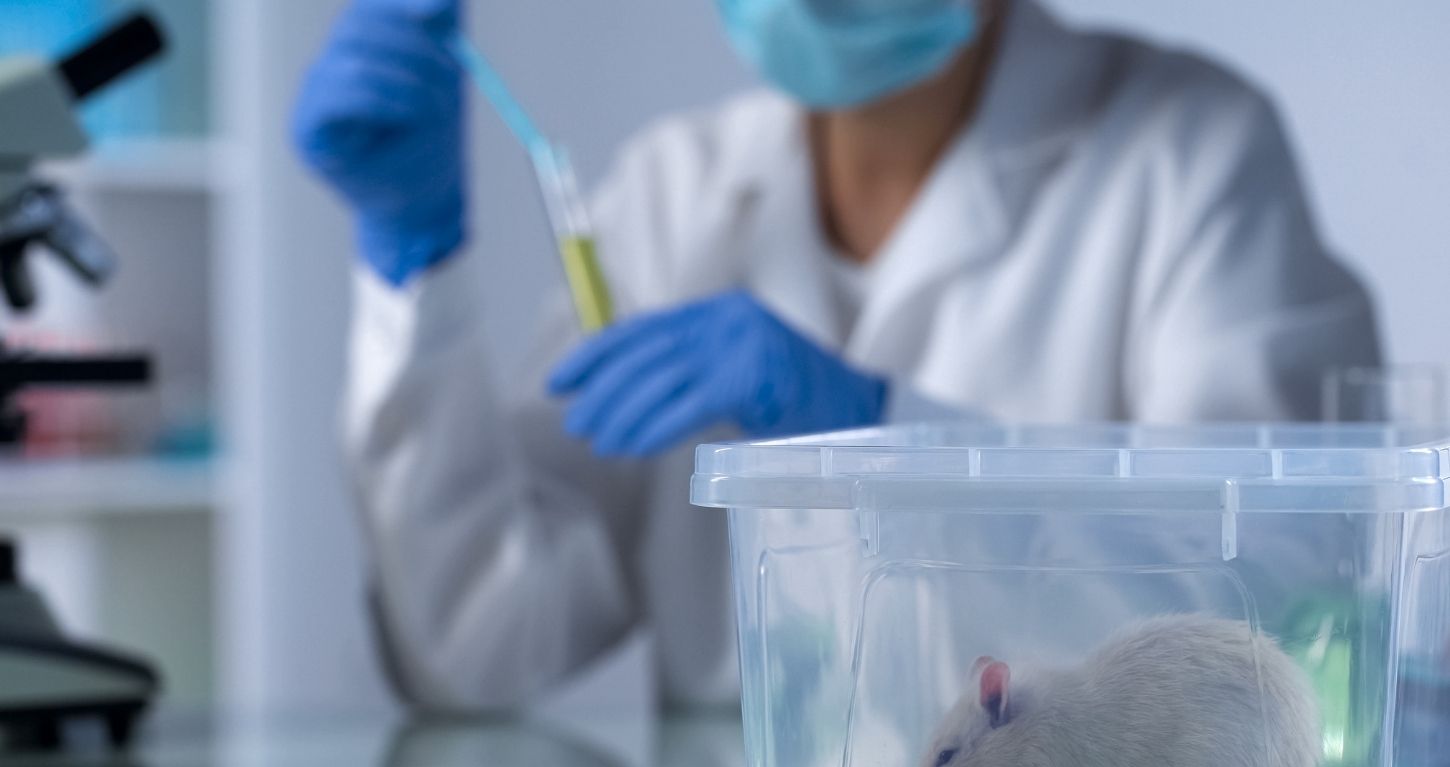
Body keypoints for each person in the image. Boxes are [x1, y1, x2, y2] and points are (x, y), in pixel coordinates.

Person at [291, 0, 1381, 710]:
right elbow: (479, 648)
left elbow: (1267, 612)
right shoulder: (668, 190)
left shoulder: (1192, 152)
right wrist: (412, 265)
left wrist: (884, 442)